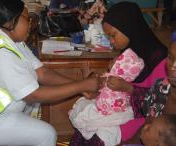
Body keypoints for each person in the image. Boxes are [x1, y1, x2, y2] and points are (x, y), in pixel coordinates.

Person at [0, 0, 103, 145]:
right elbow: (34, 95)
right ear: (10, 23)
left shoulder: (13, 41)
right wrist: (81, 86)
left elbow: (42, 73)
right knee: (46, 134)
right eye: (28, 19)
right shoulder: (0, 52)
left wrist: (81, 86)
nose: (33, 24)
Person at [69, 2, 168, 146]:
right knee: (83, 129)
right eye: (108, 36)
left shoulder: (161, 60)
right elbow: (115, 88)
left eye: (113, 35)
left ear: (129, 28)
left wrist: (128, 88)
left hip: (141, 118)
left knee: (97, 137)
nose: (111, 41)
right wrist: (102, 85)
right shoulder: (129, 50)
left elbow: (159, 104)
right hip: (119, 109)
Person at [69, 48, 144, 146]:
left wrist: (88, 79)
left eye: (115, 61)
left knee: (83, 112)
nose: (111, 60)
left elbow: (93, 91)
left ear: (120, 68)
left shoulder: (110, 80)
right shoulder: (121, 82)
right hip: (110, 109)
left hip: (106, 110)